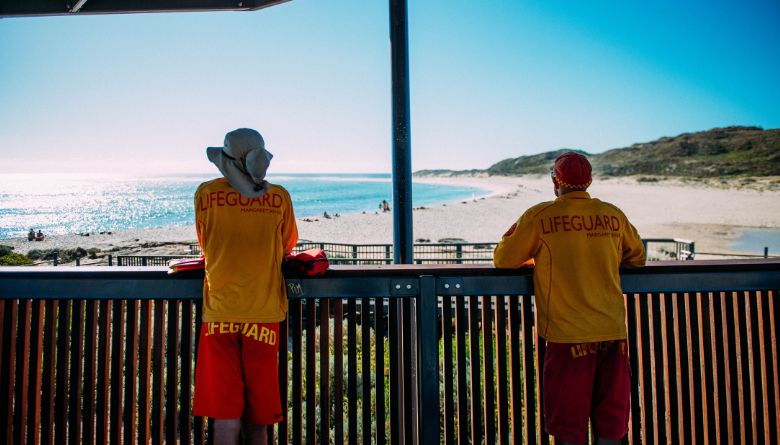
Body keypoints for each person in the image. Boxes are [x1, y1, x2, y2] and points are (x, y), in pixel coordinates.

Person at [493, 152, 645, 445]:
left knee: (569, 429)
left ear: (555, 181)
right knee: (611, 426)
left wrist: (537, 260)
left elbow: (503, 259)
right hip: (613, 334)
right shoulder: (613, 215)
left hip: (567, 337)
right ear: (589, 181)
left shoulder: (541, 216)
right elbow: (637, 258)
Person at [192, 128, 298, 445]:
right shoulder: (278, 197)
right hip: (264, 314)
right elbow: (288, 245)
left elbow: (204, 242)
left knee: (225, 419)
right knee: (259, 420)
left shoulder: (206, 194)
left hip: (219, 314)